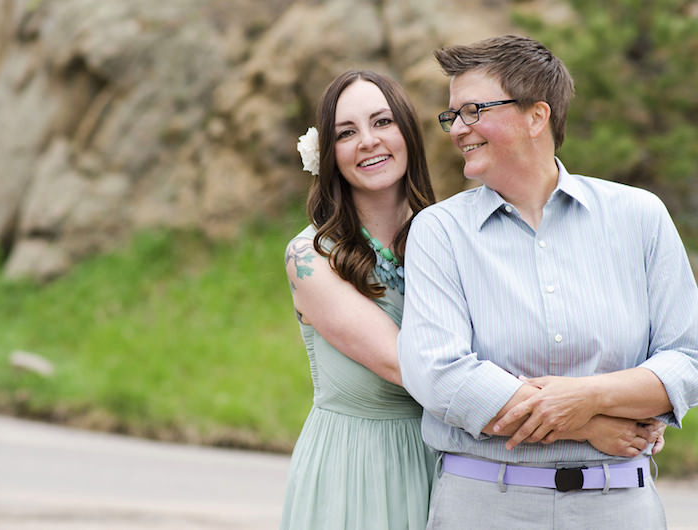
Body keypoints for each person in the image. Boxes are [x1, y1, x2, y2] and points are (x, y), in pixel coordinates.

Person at [398, 34, 697, 529]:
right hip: (484, 507)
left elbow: (685, 359)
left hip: (620, 508)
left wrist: (587, 400)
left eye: (473, 110)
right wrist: (588, 424)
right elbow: (440, 375)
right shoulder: (439, 231)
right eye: (453, 115)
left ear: (537, 116)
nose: (457, 129)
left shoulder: (640, 215)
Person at [280, 70, 437, 529]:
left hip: (449, 467)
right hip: (354, 474)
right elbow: (404, 365)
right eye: (346, 133)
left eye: (382, 122)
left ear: (408, 132)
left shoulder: (451, 237)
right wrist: (576, 419)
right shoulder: (310, 256)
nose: (368, 141)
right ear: (329, 156)